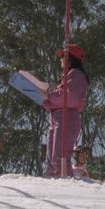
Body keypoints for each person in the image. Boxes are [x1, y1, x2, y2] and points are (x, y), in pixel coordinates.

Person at [40, 44, 89, 177]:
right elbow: (56, 102)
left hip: (67, 118)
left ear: (70, 58)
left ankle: (65, 185)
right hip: (56, 118)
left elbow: (71, 98)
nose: (60, 60)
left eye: (63, 57)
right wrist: (42, 98)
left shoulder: (76, 74)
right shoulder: (67, 76)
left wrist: (49, 96)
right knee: (51, 158)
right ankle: (53, 183)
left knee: (60, 157)